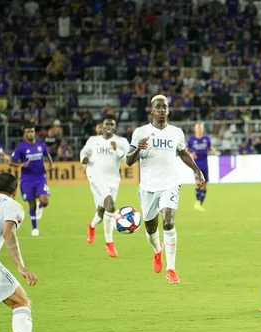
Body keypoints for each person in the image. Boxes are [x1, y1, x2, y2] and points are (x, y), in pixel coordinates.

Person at [126, 95, 206, 284]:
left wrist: (197, 171)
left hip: (170, 184)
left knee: (168, 222)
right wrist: (138, 149)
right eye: (158, 107)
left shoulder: (176, 132)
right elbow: (128, 161)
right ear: (151, 111)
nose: (162, 110)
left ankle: (171, 269)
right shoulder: (140, 132)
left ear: (168, 110)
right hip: (147, 187)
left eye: (165, 107)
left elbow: (183, 153)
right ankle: (157, 250)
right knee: (151, 227)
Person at [0, 173, 50, 332]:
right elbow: (8, 233)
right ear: (15, 192)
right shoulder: (12, 205)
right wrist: (21, 267)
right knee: (21, 302)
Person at [80, 114, 130, 258]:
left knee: (102, 213)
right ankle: (109, 243)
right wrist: (83, 159)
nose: (109, 127)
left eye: (112, 125)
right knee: (110, 205)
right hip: (95, 177)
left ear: (115, 127)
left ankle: (92, 225)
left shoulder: (121, 142)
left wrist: (117, 150)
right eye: (106, 124)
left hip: (113, 180)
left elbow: (128, 160)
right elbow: (84, 152)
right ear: (102, 126)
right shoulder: (93, 140)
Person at [9, 124, 53, 236]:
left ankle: (41, 206)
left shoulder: (41, 144)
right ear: (24, 134)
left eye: (32, 131)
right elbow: (11, 162)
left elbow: (47, 154)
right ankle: (35, 228)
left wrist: (51, 164)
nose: (30, 134)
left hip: (40, 177)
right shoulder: (21, 147)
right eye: (28, 132)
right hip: (27, 179)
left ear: (34, 132)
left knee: (45, 201)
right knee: (31, 203)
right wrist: (20, 164)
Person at [187, 122, 216, 211]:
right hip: (196, 165)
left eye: (200, 128)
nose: (199, 129)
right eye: (197, 128)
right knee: (199, 182)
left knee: (204, 185)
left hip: (205, 164)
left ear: (203, 129)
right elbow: (186, 152)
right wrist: (191, 154)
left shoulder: (206, 139)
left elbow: (211, 149)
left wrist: (213, 152)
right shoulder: (191, 140)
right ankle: (197, 202)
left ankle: (200, 203)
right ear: (195, 129)